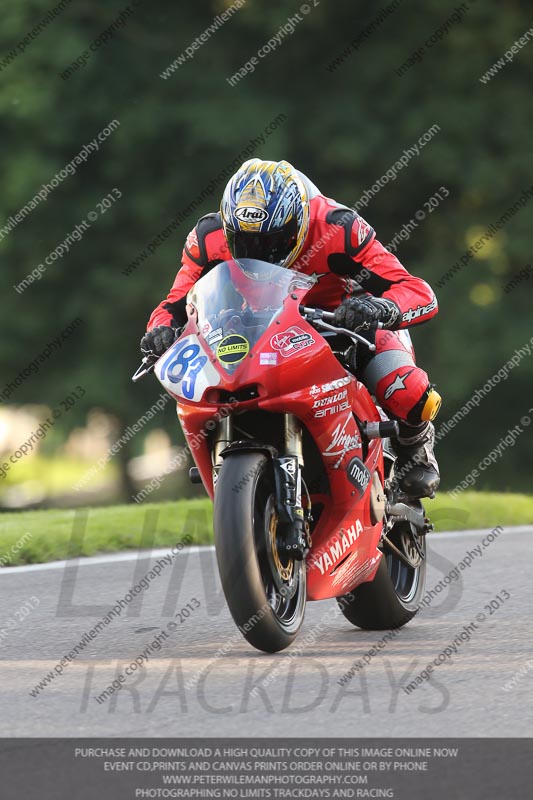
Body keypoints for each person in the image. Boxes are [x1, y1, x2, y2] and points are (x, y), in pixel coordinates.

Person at [141, 159, 442, 498]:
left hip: (344, 320)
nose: (259, 254)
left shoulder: (338, 227)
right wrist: (161, 330)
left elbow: (417, 290)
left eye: (272, 241)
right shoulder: (208, 237)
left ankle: (415, 442)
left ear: (298, 223)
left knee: (405, 389)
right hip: (256, 327)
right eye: (245, 242)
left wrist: (380, 307)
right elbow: (176, 300)